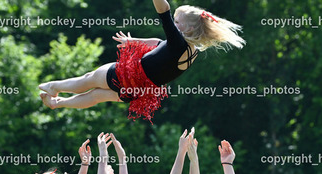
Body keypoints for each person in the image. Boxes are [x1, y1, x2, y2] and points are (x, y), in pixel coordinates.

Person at [39, 0, 245, 122]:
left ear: (189, 28)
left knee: (89, 79)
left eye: (177, 22)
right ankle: (58, 103)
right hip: (137, 91)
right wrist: (133, 41)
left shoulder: (178, 42)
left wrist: (165, 16)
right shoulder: (191, 51)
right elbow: (159, 44)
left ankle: (53, 87)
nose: (174, 25)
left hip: (128, 76)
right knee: (96, 96)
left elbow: (163, 11)